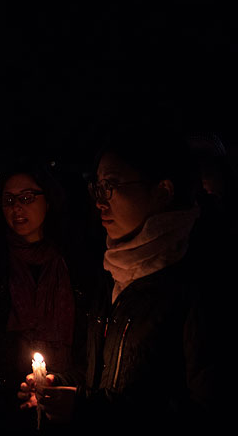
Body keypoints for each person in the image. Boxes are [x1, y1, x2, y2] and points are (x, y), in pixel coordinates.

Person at [17, 125, 218, 434]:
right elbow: (102, 372)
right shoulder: (113, 269)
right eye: (97, 186)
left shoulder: (202, 281)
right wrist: (59, 386)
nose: (100, 201)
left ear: (163, 191)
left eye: (111, 185)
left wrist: (87, 407)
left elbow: (209, 413)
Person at [0, 159, 96, 435]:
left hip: (70, 396)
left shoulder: (76, 260)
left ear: (48, 200)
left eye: (27, 197)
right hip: (7, 404)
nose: (17, 207)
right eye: (8, 199)